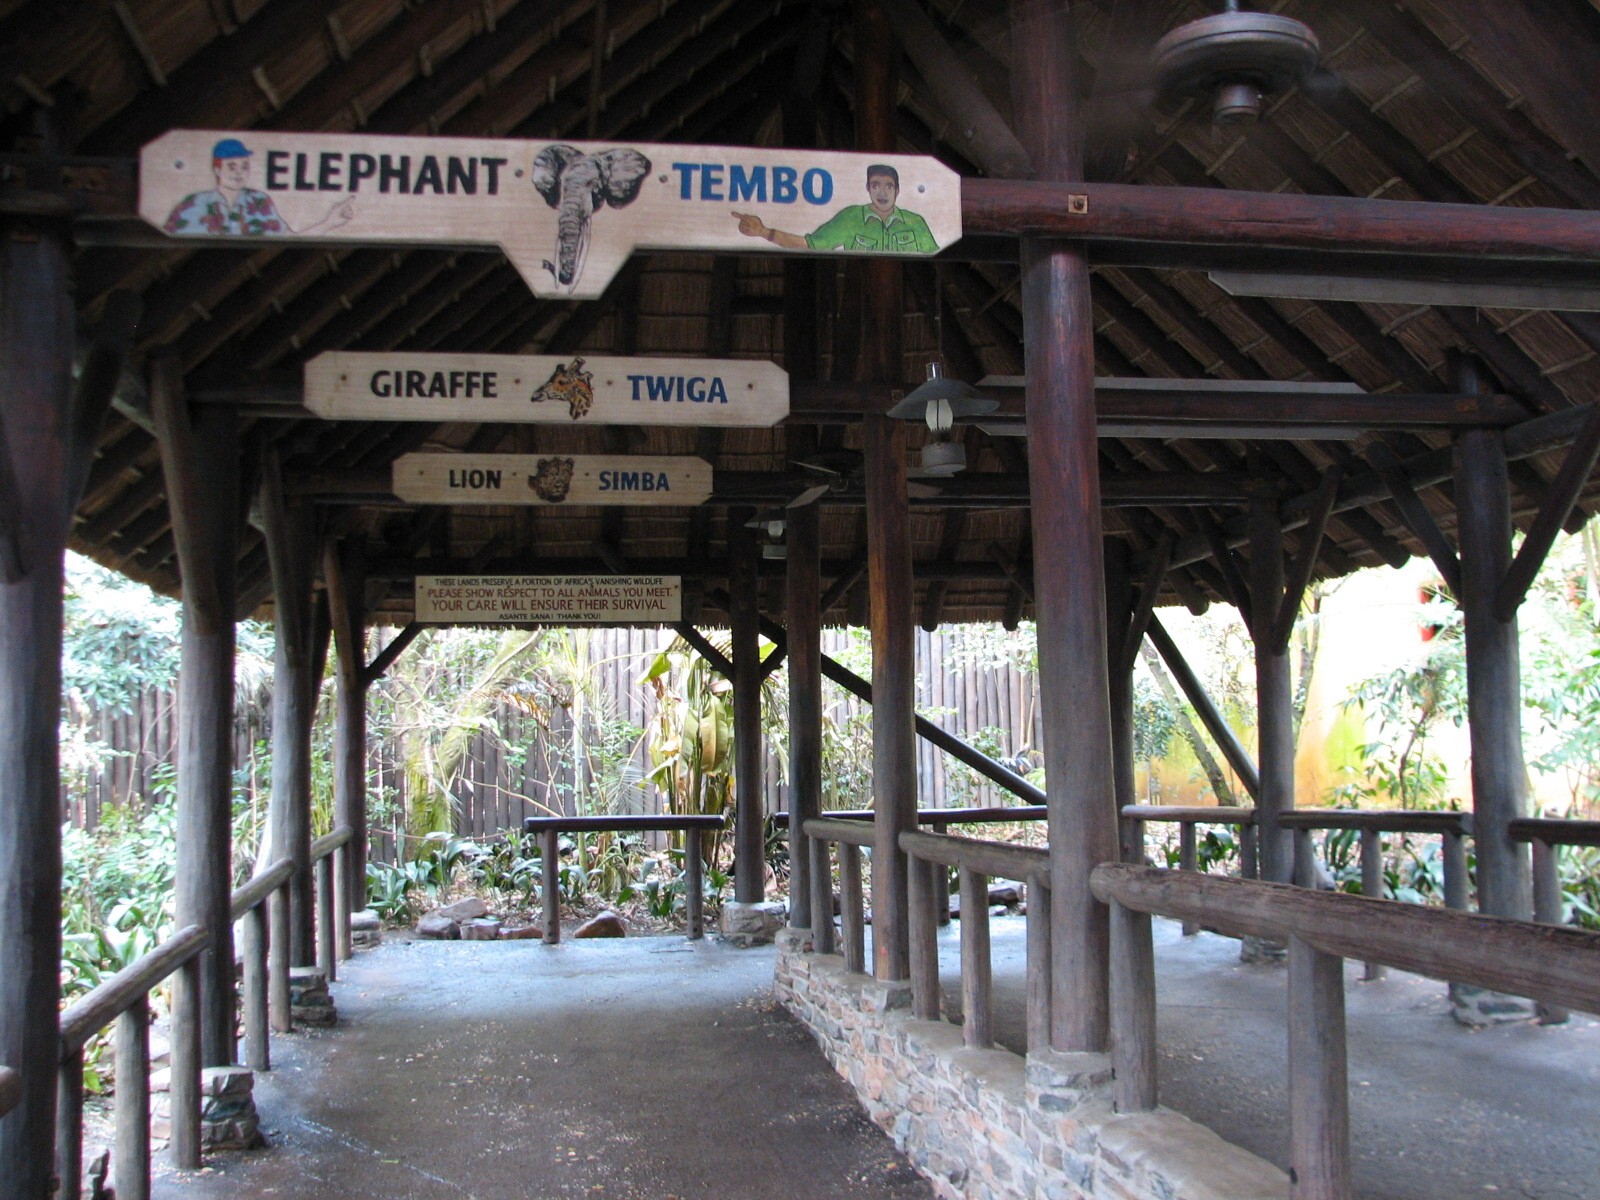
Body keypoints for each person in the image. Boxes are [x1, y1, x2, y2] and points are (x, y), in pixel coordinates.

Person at [164, 138, 354, 236]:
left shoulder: (258, 202)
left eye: (244, 166)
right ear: (217, 169)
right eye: (232, 166)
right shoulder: (194, 204)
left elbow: (289, 238)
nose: (239, 173)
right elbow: (169, 230)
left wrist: (330, 223)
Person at [732, 163, 938, 253]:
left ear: (898, 190)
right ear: (868, 188)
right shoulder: (851, 217)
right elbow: (809, 245)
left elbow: (935, 256)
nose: (882, 193)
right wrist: (763, 232)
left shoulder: (915, 222)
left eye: (888, 186)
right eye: (876, 185)